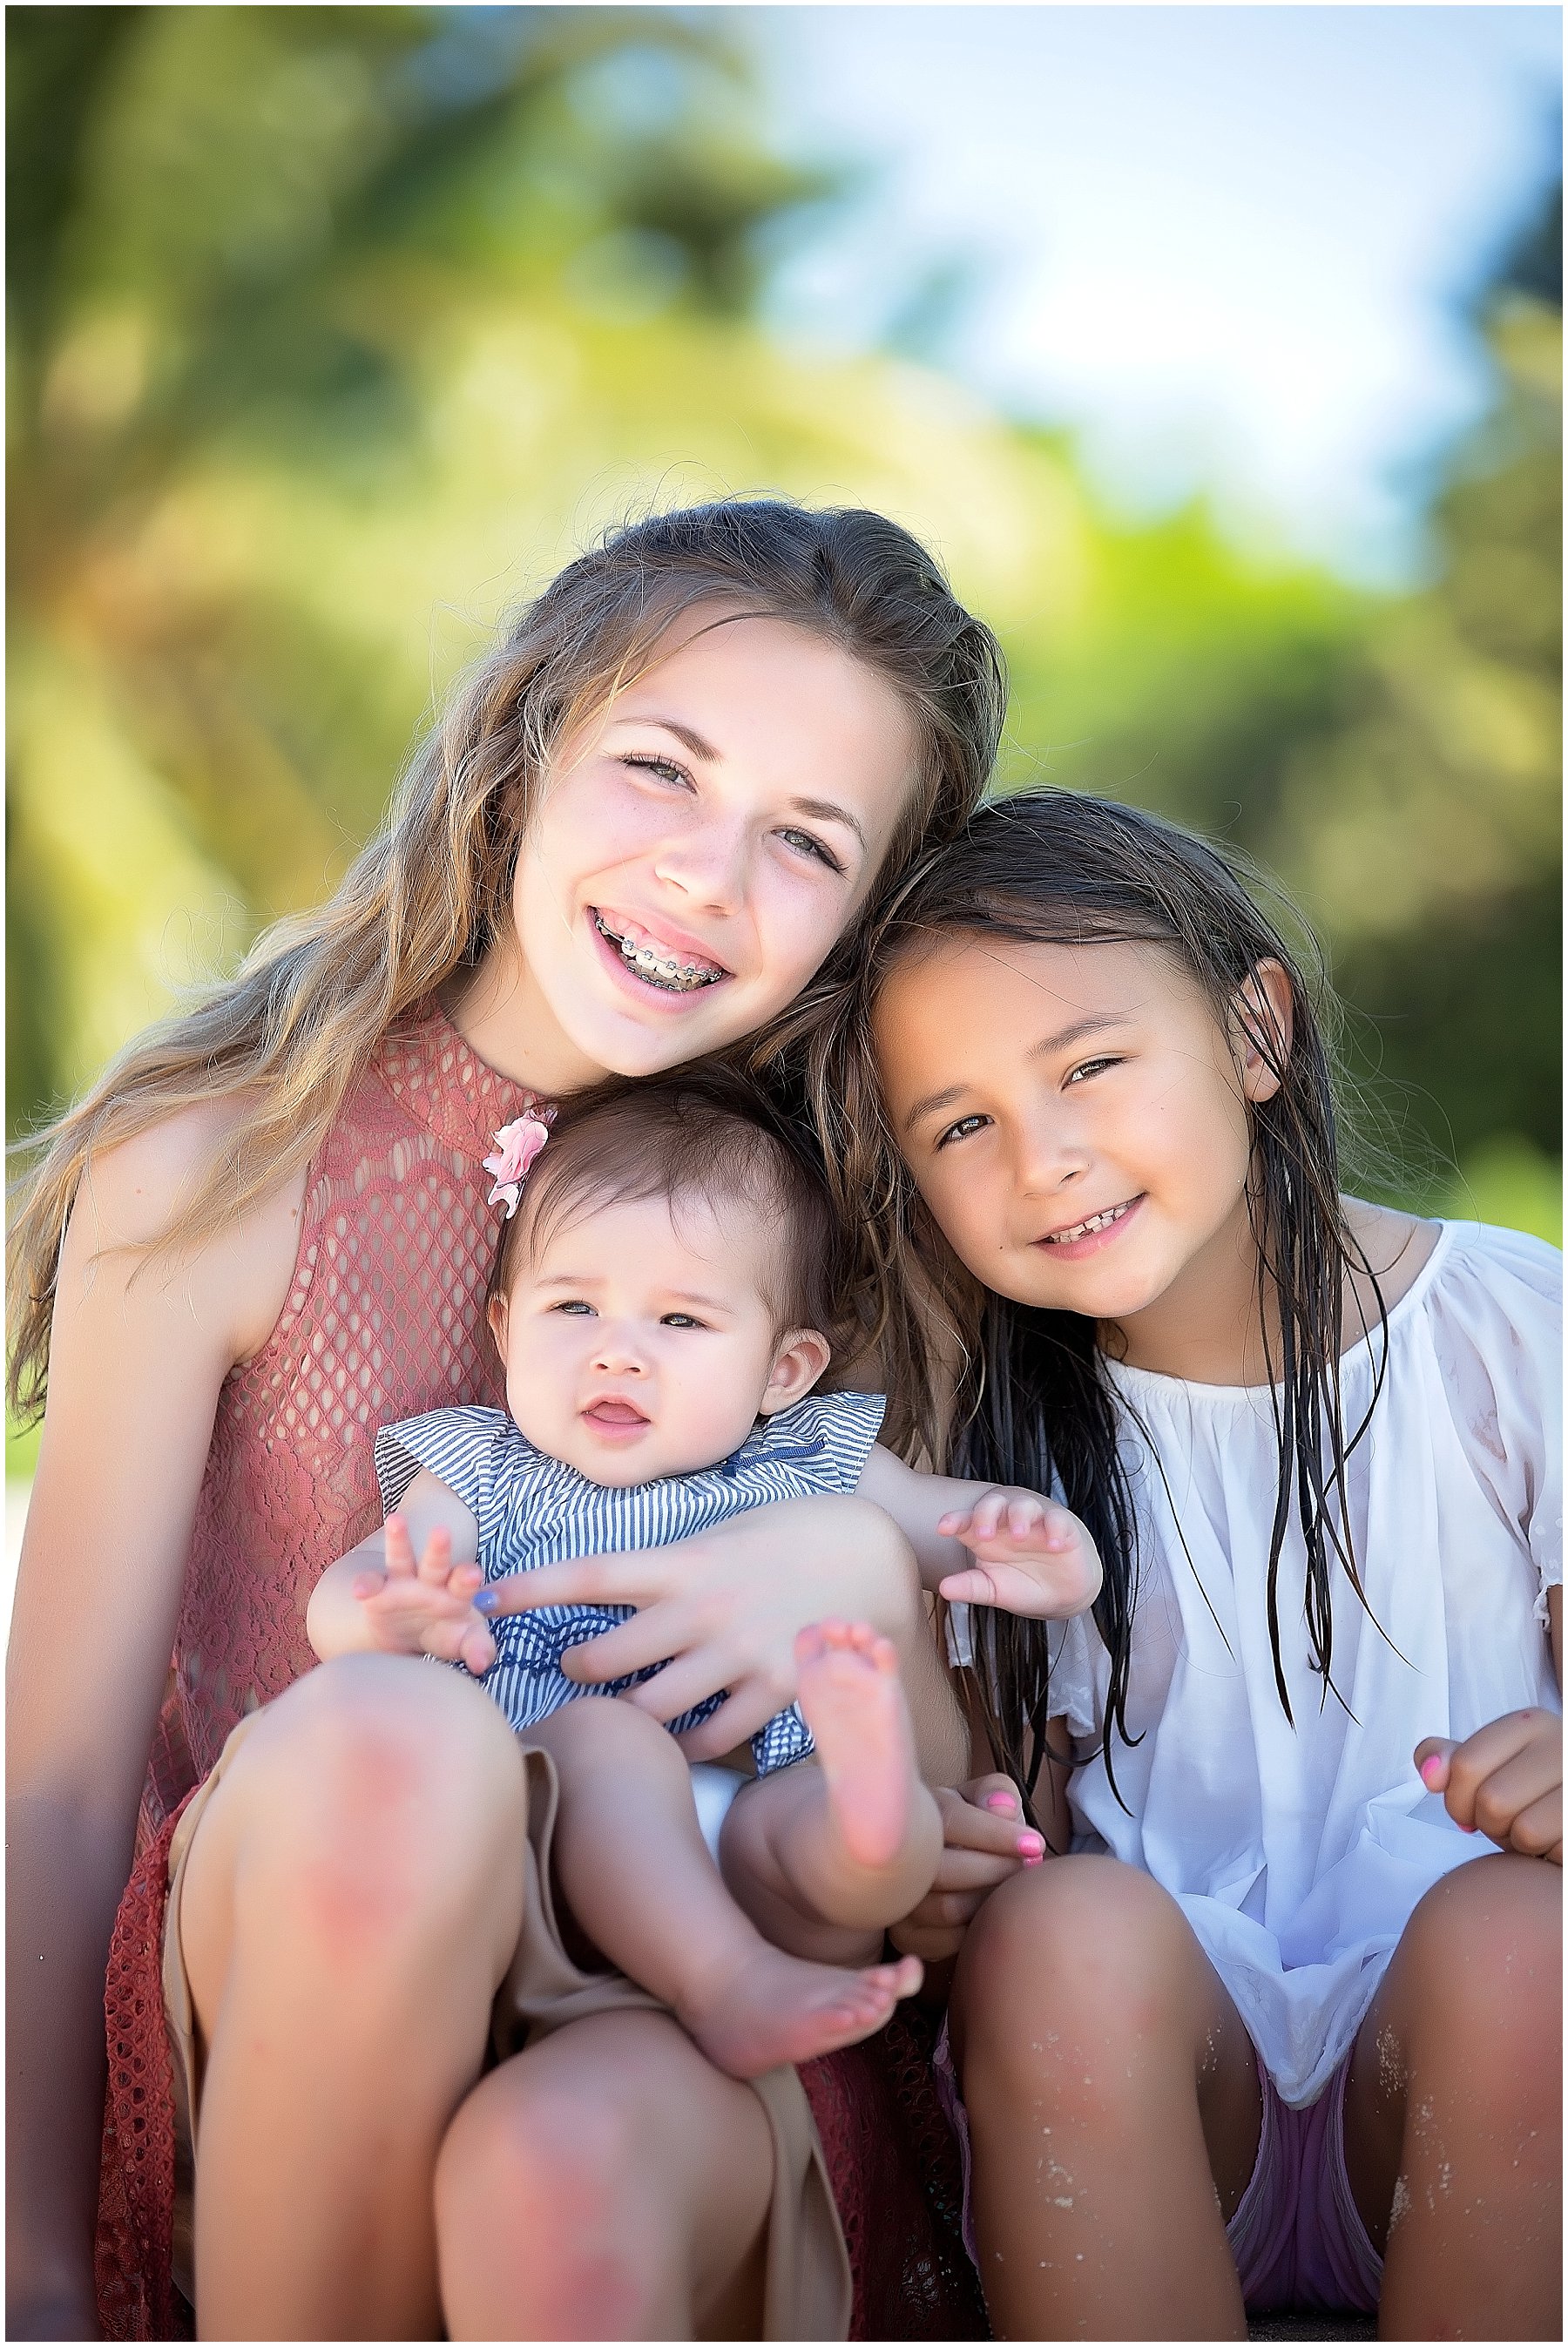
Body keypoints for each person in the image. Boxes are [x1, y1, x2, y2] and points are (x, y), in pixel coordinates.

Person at [5, 499, 1016, 2342]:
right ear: (527, 742)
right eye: (660, 770)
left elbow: (918, 1845)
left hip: (676, 2030)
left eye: (805, 841)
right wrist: (32, 2269)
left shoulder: (832, 1246)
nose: (705, 877)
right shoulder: (218, 1173)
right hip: (285, 1987)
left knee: (565, 2161)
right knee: (393, 1734)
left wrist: (850, 1554)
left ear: (865, 920)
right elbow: (57, 1791)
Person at [840, 788, 1562, 2341]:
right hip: (1164, 2091)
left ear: (1254, 1031)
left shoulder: (1506, 1326)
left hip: (1471, 2075)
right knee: (1056, 1933)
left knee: (1533, 1936)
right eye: (962, 1123)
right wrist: (942, 1861)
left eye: (1092, 1064)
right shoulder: (978, 1445)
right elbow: (980, 1823)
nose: (1046, 1158)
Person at [307, 1072, 1098, 2079]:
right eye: (575, 1307)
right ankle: (728, 1981)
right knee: (602, 1741)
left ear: (784, 1371)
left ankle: (870, 1812)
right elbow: (351, 1591)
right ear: (505, 1330)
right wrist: (395, 1608)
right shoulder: (484, 1467)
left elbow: (957, 1529)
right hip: (558, 1863)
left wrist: (1048, 1550)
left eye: (680, 1323)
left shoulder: (811, 1453)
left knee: (810, 1814)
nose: (618, 1356)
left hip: (757, 1826)